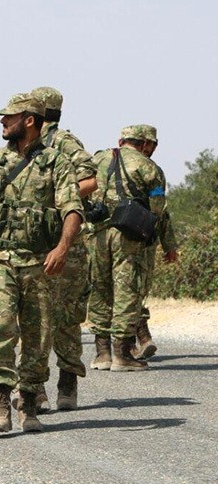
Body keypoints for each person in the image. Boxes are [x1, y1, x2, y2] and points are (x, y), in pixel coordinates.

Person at [0, 93, 83, 432]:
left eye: (9, 117)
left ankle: (29, 400)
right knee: (0, 330)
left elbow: (72, 210)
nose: (2, 122)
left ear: (29, 120)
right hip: (2, 259)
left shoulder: (56, 162)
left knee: (39, 336)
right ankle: (1, 402)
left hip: (39, 264)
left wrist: (62, 248)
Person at [27, 86, 98, 411]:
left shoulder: (64, 142)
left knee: (67, 316)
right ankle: (34, 387)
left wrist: (58, 201)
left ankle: (67, 383)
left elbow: (92, 180)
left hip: (66, 245)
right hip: (32, 246)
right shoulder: (23, 145)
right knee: (33, 317)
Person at [87, 125, 170, 372]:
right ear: (144, 144)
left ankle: (101, 353)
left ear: (121, 140)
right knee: (126, 290)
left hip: (96, 233)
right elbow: (158, 209)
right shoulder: (148, 167)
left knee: (99, 289)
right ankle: (122, 354)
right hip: (127, 234)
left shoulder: (98, 158)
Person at [132, 124, 178, 359]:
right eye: (150, 144)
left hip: (109, 239)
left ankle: (132, 342)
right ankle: (137, 340)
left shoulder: (108, 164)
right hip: (142, 237)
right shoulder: (152, 171)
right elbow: (160, 212)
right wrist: (169, 246)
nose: (151, 149)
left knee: (123, 290)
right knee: (135, 289)